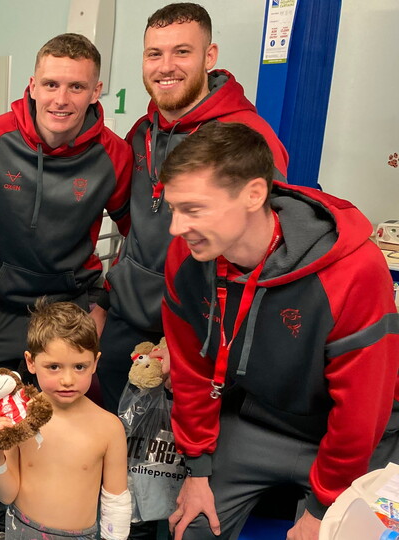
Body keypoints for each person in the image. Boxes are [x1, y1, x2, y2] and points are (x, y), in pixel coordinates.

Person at [160, 122, 399, 540]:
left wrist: (322, 509)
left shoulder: (353, 270)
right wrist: (196, 468)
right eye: (173, 208)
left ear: (254, 194)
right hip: (259, 420)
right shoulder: (188, 255)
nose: (176, 228)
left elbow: (361, 410)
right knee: (190, 526)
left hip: (356, 439)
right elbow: (192, 370)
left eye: (194, 209)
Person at [0, 33, 131, 537]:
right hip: (0, 305)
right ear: (32, 84)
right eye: (51, 84)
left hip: (70, 307)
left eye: (76, 87)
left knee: (69, 418)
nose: (61, 99)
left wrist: (103, 302)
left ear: (96, 91)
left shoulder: (114, 155)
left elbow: (138, 237)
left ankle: (63, 512)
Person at [94, 2, 290, 417]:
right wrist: (108, 297)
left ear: (209, 56)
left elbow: (268, 251)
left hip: (201, 328)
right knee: (115, 436)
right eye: (154, 53)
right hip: (128, 317)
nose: (166, 66)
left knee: (184, 447)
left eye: (182, 51)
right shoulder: (142, 132)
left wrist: (194, 333)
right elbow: (135, 221)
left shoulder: (246, 137)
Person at [0, 300, 130, 540]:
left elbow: (116, 501)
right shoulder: (17, 419)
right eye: (54, 367)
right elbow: (5, 495)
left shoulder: (109, 428)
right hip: (21, 529)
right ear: (31, 362)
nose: (67, 380)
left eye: (80, 366)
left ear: (95, 363)